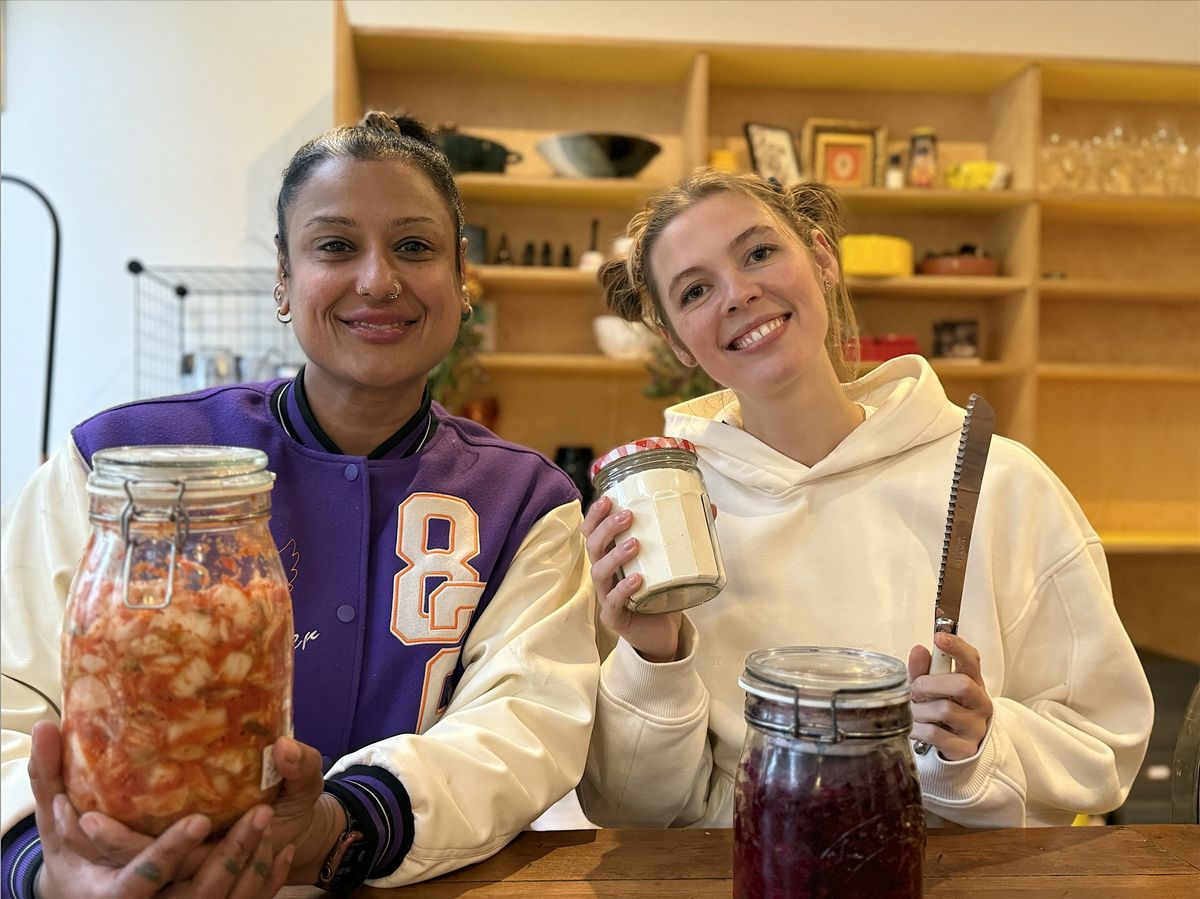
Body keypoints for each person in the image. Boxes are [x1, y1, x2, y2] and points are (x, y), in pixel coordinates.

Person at [1, 112, 598, 898]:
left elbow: (523, 726)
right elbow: (15, 707)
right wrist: (46, 868)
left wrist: (338, 827)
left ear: (462, 281)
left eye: (415, 246)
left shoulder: (526, 501)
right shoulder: (114, 463)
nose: (378, 279)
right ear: (284, 279)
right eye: (336, 246)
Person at [575, 168, 1153, 830]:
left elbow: (1106, 745)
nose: (739, 293)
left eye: (759, 252)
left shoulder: (1001, 483)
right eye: (697, 289)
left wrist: (981, 746)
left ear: (821, 257)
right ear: (677, 340)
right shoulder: (667, 524)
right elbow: (634, 811)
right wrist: (654, 658)